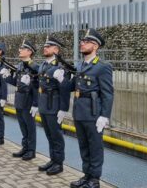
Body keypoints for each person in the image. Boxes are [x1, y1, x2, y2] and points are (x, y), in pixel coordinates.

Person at [54, 29, 113, 188]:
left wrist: (104, 115)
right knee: (84, 146)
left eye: (86, 42)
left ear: (95, 46)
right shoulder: (79, 65)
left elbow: (108, 93)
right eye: (82, 41)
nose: (82, 43)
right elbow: (73, 87)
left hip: (94, 113)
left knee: (95, 147)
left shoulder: (102, 67)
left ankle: (95, 179)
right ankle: (86, 175)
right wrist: (62, 80)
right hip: (79, 112)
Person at [37, 36, 70, 175]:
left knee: (56, 135)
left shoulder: (60, 66)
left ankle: (59, 163)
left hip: (54, 105)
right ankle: (53, 159)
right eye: (45, 46)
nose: (45, 48)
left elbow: (65, 89)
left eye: (49, 46)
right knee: (49, 134)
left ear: (56, 49)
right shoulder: (44, 64)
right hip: (44, 104)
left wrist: (63, 108)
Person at [0, 40, 39, 160]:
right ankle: (25, 147)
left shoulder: (34, 67)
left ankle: (31, 150)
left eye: (22, 49)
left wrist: (35, 104)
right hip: (19, 98)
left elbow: (37, 87)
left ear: (29, 51)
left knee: (30, 126)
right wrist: (6, 77)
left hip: (28, 99)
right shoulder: (21, 65)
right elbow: (17, 82)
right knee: (22, 125)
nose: (19, 50)